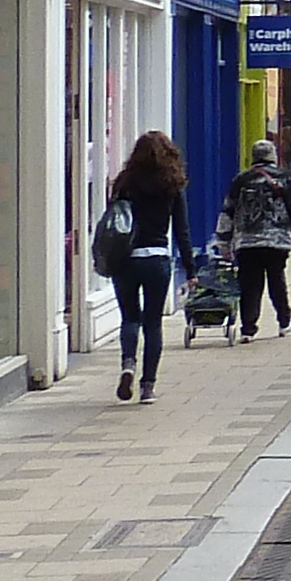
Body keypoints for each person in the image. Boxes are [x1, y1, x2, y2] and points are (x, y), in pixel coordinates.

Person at [104, 131, 195, 402]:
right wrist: (190, 269)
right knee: (153, 323)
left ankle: (128, 363)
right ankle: (148, 387)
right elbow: (182, 230)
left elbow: (113, 220)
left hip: (126, 259)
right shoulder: (172, 185)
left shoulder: (124, 184)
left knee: (130, 317)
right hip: (156, 259)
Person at [225, 138, 291, 340]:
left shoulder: (241, 179)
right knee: (277, 280)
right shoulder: (285, 177)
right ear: (273, 156)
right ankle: (284, 322)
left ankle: (248, 329)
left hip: (246, 241)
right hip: (276, 240)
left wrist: (223, 240)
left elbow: (228, 211)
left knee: (250, 284)